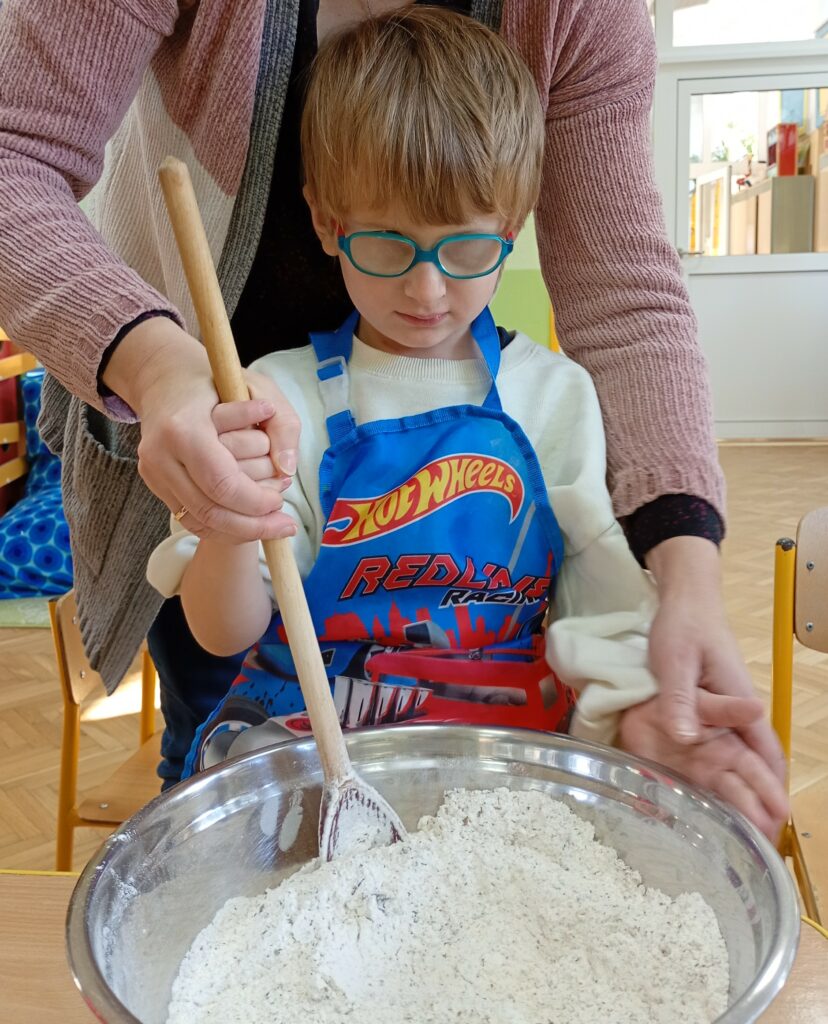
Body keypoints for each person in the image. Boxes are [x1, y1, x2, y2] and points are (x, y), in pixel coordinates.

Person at [0, 1, 785, 818]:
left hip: (500, 766)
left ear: (511, 230)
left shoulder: (552, 399)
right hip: (298, 756)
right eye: (389, 244)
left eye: (466, 248)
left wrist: (648, 678)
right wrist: (230, 507)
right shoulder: (275, 396)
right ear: (328, 225)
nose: (427, 288)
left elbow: (606, 596)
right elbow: (223, 630)